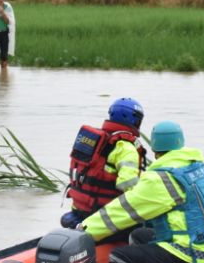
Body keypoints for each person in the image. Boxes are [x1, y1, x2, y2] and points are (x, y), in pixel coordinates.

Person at [80, 120, 204, 263]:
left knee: (120, 257)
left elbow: (122, 211)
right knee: (138, 236)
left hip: (190, 253)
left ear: (155, 149)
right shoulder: (203, 169)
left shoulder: (161, 178)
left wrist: (83, 231)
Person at [60, 97, 146, 230]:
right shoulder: (126, 147)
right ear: (133, 120)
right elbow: (128, 185)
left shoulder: (95, 140)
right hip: (102, 214)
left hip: (79, 210)